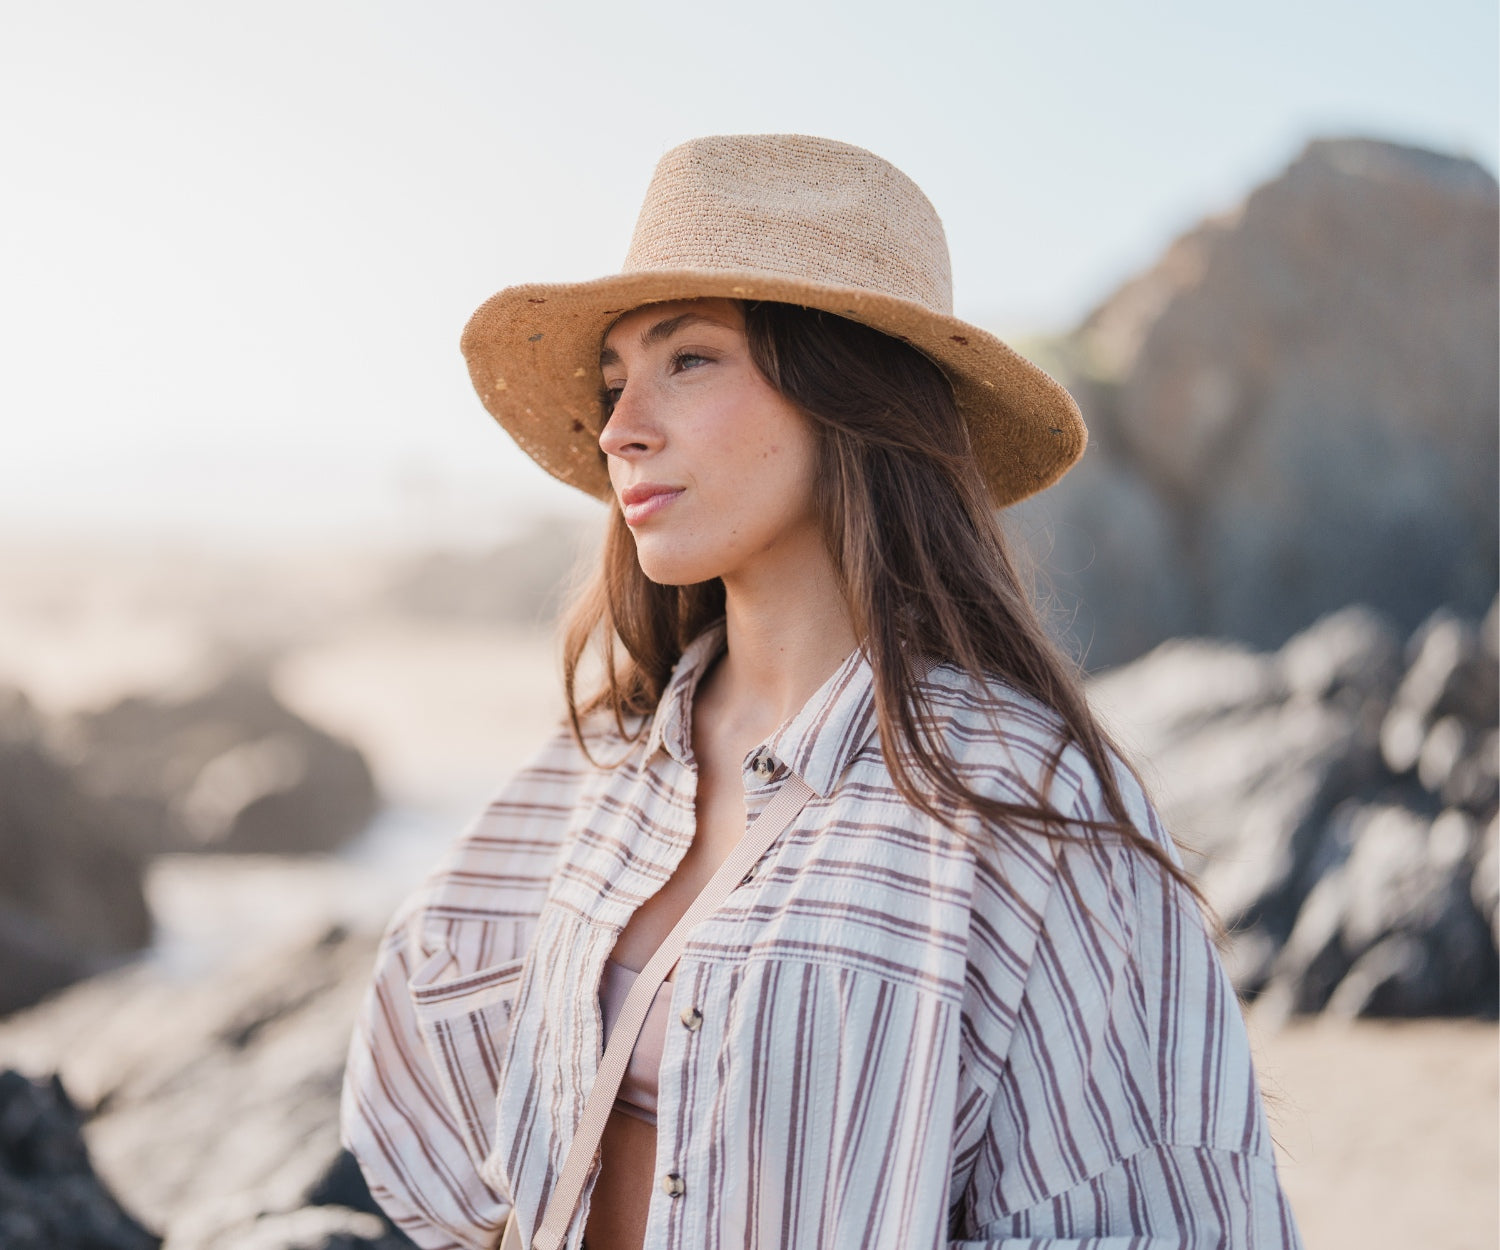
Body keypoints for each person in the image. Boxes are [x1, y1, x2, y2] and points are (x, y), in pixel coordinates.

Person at [340, 134, 1303, 1250]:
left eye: (687, 359)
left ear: (845, 387)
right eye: (612, 383)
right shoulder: (606, 757)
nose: (619, 428)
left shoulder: (1027, 808)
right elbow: (419, 1043)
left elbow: (1160, 1221)